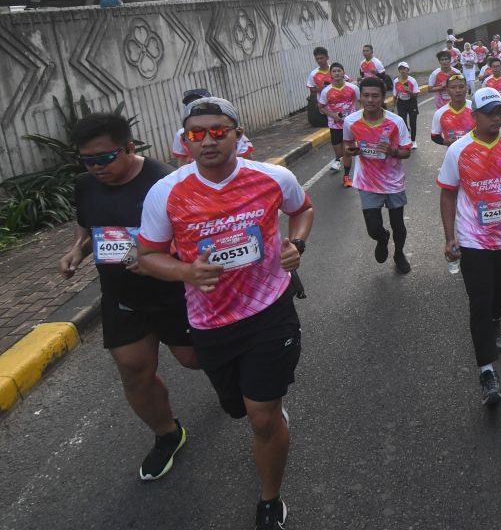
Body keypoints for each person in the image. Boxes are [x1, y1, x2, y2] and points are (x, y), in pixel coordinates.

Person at [137, 97, 313, 530]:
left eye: (219, 130)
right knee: (237, 408)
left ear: (237, 134)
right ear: (185, 141)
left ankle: (269, 499)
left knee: (261, 416)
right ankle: (263, 412)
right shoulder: (166, 193)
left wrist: (296, 244)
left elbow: (302, 209)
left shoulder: (273, 178)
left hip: (270, 310)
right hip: (210, 322)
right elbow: (145, 256)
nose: (208, 140)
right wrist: (186, 271)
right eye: (197, 133)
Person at [60, 112, 199, 481]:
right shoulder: (84, 185)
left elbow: (194, 237)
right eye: (86, 160)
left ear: (129, 147)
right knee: (134, 371)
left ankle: (246, 395)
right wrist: (78, 250)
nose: (95, 168)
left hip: (174, 295)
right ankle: (168, 434)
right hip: (122, 296)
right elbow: (89, 226)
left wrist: (157, 261)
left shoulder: (166, 181)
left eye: (104, 158)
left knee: (194, 360)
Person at [438, 88, 501, 406]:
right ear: (474, 115)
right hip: (473, 239)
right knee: (479, 302)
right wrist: (449, 237)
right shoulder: (458, 150)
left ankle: (498, 319)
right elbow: (448, 194)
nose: (496, 117)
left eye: (500, 111)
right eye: (489, 113)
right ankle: (486, 371)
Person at [343, 77, 414, 272]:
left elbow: (406, 151)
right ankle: (382, 239)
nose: (370, 100)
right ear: (360, 98)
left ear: (383, 97)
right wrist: (351, 152)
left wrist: (392, 151)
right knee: (373, 228)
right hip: (367, 181)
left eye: (375, 96)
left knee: (398, 225)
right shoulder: (351, 121)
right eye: (366, 95)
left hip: (393, 181)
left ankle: (399, 254)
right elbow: (348, 144)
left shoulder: (395, 122)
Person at [171, 88, 254, 163]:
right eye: (195, 135)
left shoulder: (230, 130)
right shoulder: (181, 134)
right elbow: (181, 161)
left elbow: (247, 159)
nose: (208, 142)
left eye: (219, 133)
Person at [316, 64, 360, 187]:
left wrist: (358, 117)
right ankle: (339, 160)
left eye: (339, 71)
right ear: (331, 74)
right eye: (334, 71)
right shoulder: (326, 91)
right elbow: (321, 107)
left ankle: (346, 177)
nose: (336, 73)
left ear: (343, 72)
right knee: (339, 153)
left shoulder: (353, 88)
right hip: (334, 125)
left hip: (349, 125)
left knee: (347, 152)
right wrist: (333, 115)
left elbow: (360, 101)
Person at [430, 75, 474, 147]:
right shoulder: (440, 113)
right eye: (453, 87)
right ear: (447, 91)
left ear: (466, 88)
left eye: (461, 87)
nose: (458, 90)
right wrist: (445, 141)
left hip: (476, 156)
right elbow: (435, 135)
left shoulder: (476, 109)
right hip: (452, 157)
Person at [392, 62, 420, 146]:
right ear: (399, 71)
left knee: (413, 122)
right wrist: (393, 106)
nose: (403, 71)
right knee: (403, 122)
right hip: (401, 103)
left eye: (404, 69)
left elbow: (416, 95)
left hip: (411, 102)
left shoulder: (412, 80)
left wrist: (409, 91)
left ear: (408, 70)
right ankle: (406, 138)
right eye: (400, 69)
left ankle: (413, 141)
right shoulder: (396, 81)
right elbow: (395, 94)